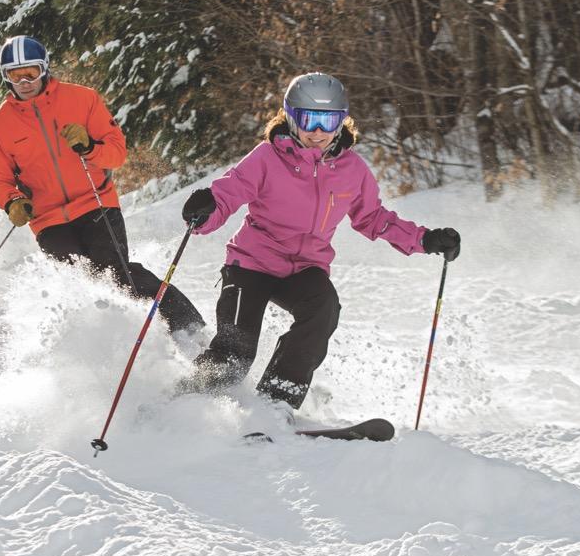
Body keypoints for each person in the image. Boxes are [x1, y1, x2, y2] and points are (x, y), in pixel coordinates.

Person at [179, 72, 461, 411]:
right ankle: (184, 403)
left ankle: (275, 403)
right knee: (235, 352)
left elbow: (373, 217)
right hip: (251, 265)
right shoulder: (267, 157)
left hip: (305, 268)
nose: (317, 132)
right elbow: (229, 192)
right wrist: (205, 212)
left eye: (328, 122)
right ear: (290, 117)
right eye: (308, 119)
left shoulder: (352, 170)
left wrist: (424, 239)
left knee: (323, 309)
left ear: (341, 122)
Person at [0, 35, 204, 335]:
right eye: (14, 74)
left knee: (116, 275)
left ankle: (187, 325)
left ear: (44, 69)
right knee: (80, 286)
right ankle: (106, 345)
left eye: (31, 72)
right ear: (4, 76)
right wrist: (12, 201)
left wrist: (89, 147)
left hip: (96, 203)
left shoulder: (82, 99)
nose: (24, 81)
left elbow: (117, 153)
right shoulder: (1, 123)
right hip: (48, 221)